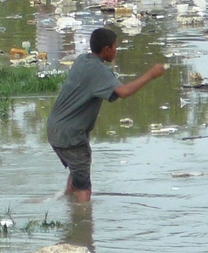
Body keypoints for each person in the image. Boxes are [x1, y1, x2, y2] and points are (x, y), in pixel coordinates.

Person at [47, 27, 166, 202]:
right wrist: (151, 74)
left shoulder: (82, 60)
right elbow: (123, 92)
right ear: (106, 50)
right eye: (115, 48)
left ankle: (66, 203)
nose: (116, 51)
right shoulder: (99, 71)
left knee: (77, 173)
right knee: (84, 189)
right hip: (70, 135)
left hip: (54, 129)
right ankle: (82, 224)